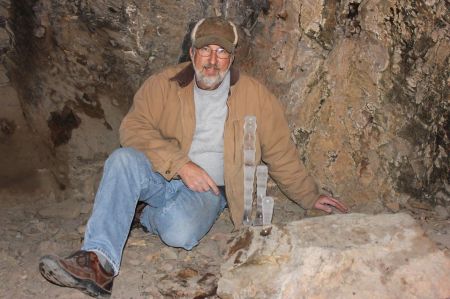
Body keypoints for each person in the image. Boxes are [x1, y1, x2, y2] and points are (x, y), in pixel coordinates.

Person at [39, 17, 348, 298]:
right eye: (205, 50)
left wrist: (310, 196)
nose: (212, 61)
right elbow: (132, 129)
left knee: (179, 233)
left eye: (221, 52)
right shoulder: (163, 85)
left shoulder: (256, 96)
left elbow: (280, 153)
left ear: (232, 58)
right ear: (191, 53)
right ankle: (98, 261)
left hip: (210, 190)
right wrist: (182, 165)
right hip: (163, 174)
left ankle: (139, 213)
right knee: (122, 160)